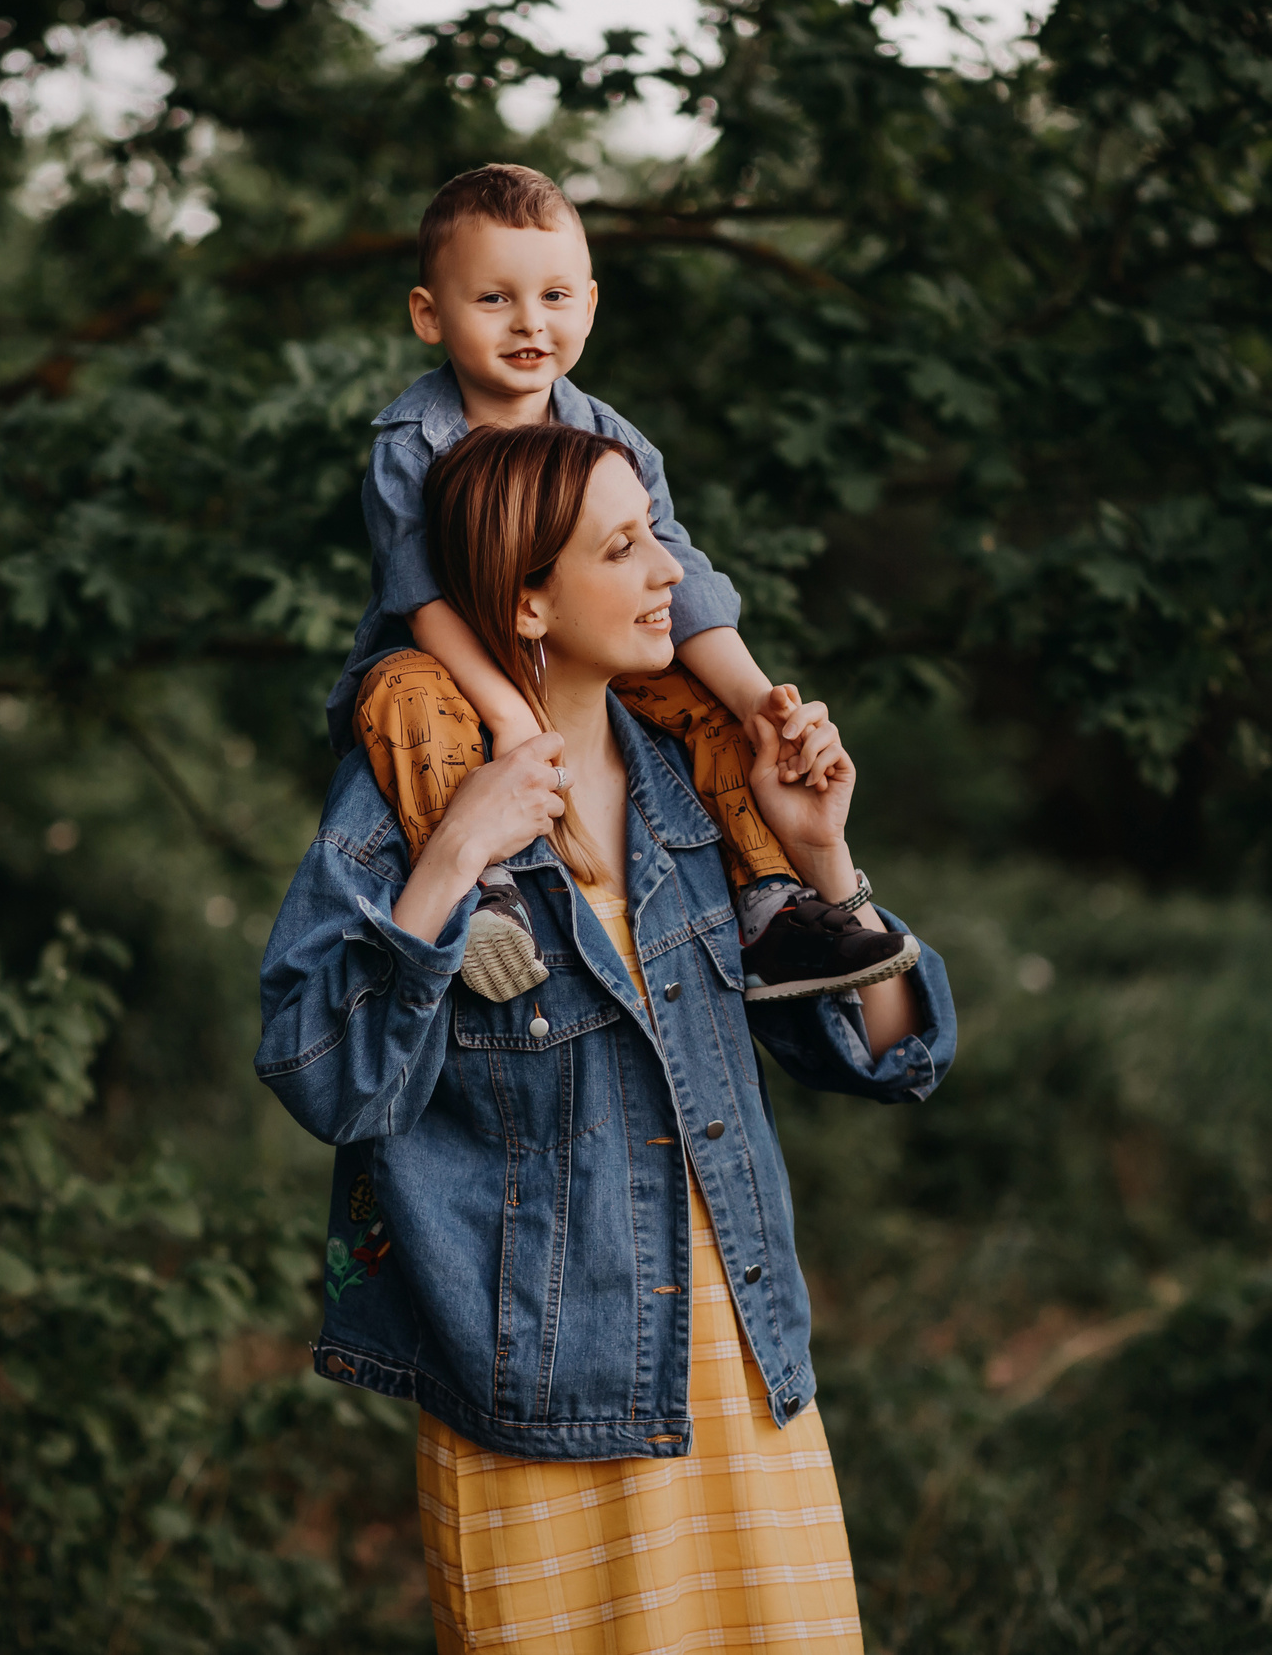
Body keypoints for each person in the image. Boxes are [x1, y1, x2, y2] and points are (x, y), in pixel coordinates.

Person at [258, 423, 956, 1654]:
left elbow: (889, 1058)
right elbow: (325, 1075)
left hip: (742, 1381)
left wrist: (824, 860)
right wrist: (458, 856)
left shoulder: (700, 783)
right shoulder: (404, 792)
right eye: (624, 548)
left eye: (655, 539)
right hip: (531, 1411)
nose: (666, 577)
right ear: (526, 602)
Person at [326, 162, 916, 1006]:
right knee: (407, 696)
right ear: (430, 314)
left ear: (591, 305)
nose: (531, 322)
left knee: (709, 710)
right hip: (450, 670)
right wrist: (511, 719)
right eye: (495, 299)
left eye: (556, 297)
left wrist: (756, 701)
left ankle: (770, 904)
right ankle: (488, 890)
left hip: (586, 671)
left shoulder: (610, 439)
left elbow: (680, 577)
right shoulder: (413, 445)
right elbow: (422, 599)